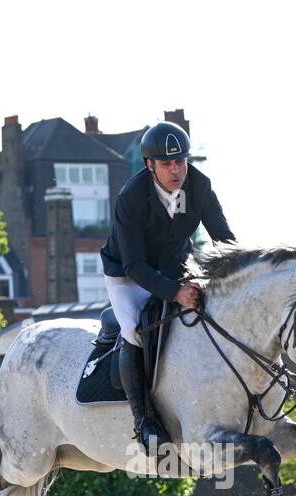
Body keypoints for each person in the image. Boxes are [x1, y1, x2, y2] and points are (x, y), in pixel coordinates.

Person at [99, 120, 236, 448]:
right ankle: (144, 421)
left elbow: (224, 239)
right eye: (166, 164)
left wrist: (237, 271)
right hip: (128, 275)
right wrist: (175, 293)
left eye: (181, 162)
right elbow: (135, 265)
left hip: (177, 266)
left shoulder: (199, 186)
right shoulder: (131, 197)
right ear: (150, 165)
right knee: (135, 331)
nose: (176, 171)